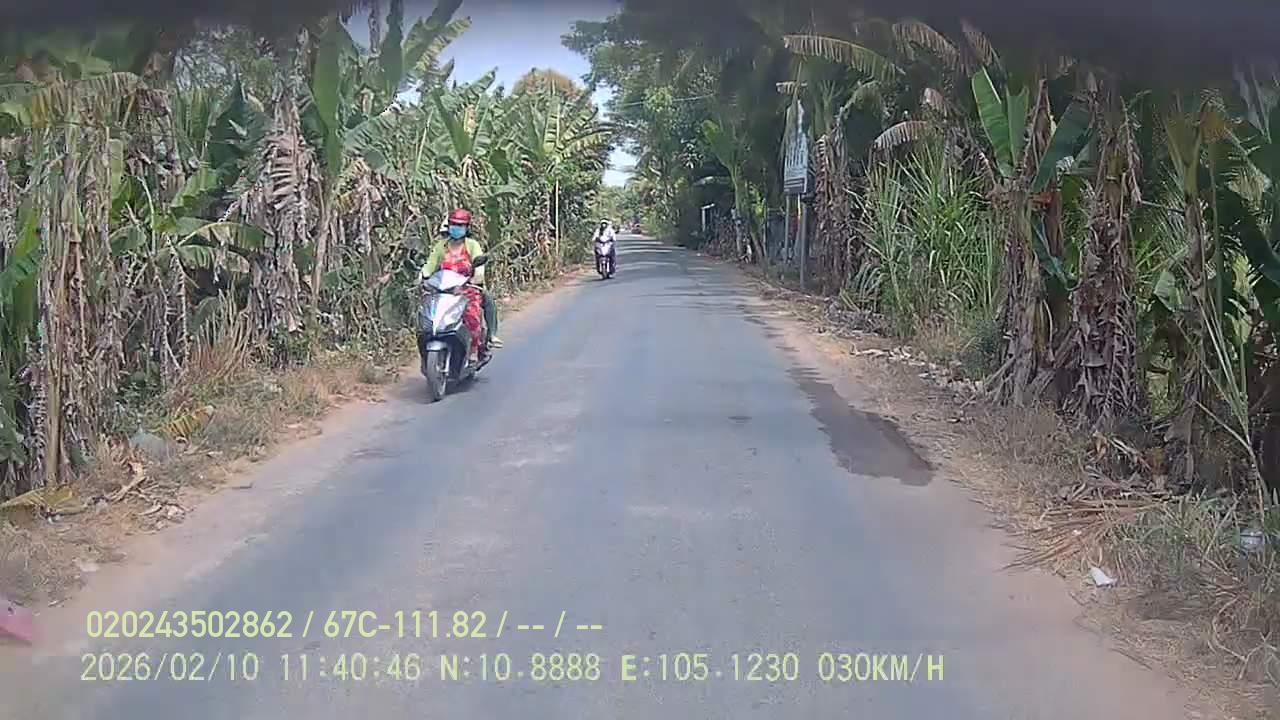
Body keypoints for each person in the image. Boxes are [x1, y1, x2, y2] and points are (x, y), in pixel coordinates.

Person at [420, 208, 497, 362]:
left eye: (460, 225)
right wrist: (423, 276)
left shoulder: (472, 245)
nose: (457, 228)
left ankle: (474, 348)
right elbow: (430, 265)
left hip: (466, 290)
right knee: (427, 316)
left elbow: (479, 268)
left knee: (472, 315)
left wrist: (476, 278)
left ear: (467, 227)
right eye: (454, 224)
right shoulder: (441, 246)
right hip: (443, 291)